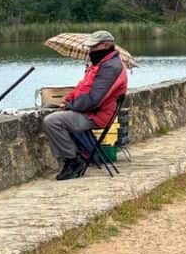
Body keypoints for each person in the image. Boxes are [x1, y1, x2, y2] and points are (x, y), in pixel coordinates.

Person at [44, 30, 129, 181]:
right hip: (88, 111)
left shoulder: (111, 67)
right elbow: (82, 88)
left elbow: (95, 99)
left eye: (93, 47)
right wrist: (67, 100)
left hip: (95, 116)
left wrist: (70, 106)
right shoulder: (100, 64)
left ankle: (73, 161)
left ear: (105, 45)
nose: (90, 51)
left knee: (52, 121)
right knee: (55, 118)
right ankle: (74, 158)